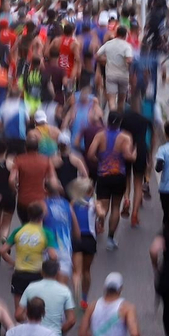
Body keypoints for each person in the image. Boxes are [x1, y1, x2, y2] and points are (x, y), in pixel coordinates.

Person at [87, 112, 137, 249]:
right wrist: (134, 153)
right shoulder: (125, 137)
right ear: (119, 123)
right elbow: (128, 156)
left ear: (108, 121)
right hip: (118, 176)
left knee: (103, 207)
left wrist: (99, 162)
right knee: (116, 207)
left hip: (103, 175)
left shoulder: (100, 135)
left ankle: (100, 221)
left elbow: (90, 154)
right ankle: (110, 239)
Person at [0, 201, 58, 308]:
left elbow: (2, 251)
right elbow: (53, 256)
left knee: (19, 310)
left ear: (28, 215)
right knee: (37, 307)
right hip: (37, 274)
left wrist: (13, 262)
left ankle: (21, 322)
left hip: (19, 273)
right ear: (42, 216)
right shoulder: (46, 233)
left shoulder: (18, 230)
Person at [20, 256, 77, 336]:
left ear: (42, 272)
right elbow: (71, 320)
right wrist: (59, 331)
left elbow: (18, 315)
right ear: (57, 273)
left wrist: (27, 321)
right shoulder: (65, 291)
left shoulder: (31, 287)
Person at [68, 179, 99, 302]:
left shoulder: (73, 203)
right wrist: (100, 219)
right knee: (87, 271)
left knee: (76, 272)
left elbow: (68, 218)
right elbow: (101, 213)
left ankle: (75, 298)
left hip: (76, 238)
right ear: (91, 191)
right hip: (90, 239)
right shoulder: (94, 203)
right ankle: (84, 299)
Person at [97, 26, 135, 109]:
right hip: (123, 76)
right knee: (121, 101)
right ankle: (119, 120)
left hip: (110, 75)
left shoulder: (108, 44)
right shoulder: (127, 46)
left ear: (116, 34)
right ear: (125, 35)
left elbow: (97, 55)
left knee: (111, 100)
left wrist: (105, 59)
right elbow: (129, 60)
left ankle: (113, 118)